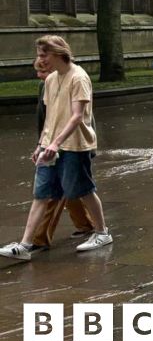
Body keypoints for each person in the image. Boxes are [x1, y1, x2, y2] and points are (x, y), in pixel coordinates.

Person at [1, 36, 112, 260]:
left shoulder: (79, 77)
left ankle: (102, 233)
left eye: (44, 55)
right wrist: (42, 143)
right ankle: (25, 246)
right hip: (50, 146)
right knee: (41, 194)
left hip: (75, 146)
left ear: (58, 53)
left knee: (82, 191)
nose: (40, 60)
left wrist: (55, 143)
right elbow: (50, 117)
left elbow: (76, 117)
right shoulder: (50, 80)